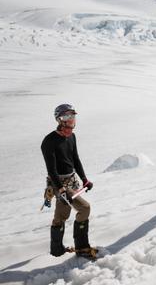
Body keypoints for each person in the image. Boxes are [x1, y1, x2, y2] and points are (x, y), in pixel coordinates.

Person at [41, 104, 97, 260]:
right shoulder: (49, 141)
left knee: (61, 216)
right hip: (59, 183)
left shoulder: (71, 136)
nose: (71, 119)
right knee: (85, 208)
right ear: (59, 119)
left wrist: (84, 179)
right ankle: (82, 248)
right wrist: (61, 190)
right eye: (66, 116)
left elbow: (76, 159)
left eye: (73, 116)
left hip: (72, 180)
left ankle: (56, 250)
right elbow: (51, 171)